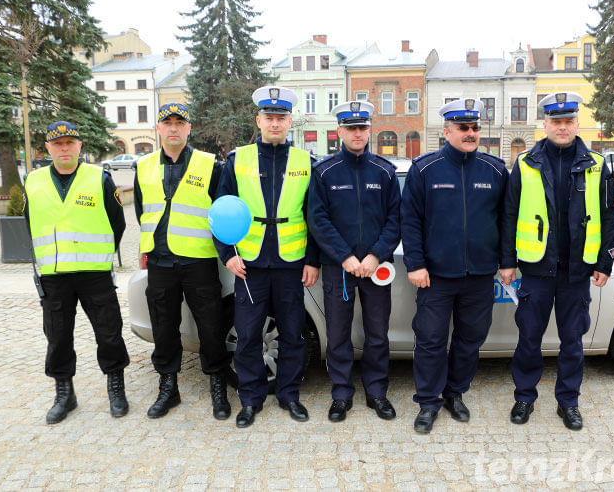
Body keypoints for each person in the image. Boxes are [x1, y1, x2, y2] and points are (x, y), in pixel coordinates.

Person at [500, 92, 614, 430]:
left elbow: (609, 216)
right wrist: (507, 261)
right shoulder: (525, 162)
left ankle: (568, 402)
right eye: (556, 121)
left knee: (572, 342)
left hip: (577, 270)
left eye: (568, 121)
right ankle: (524, 398)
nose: (562, 127)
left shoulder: (598, 164)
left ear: (577, 123)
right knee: (529, 339)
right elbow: (509, 214)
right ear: (545, 124)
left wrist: (605, 263)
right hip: (537, 268)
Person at [401, 98, 509, 433]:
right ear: (446, 131)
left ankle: (455, 393)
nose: (471, 133)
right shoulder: (425, 169)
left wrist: (506, 262)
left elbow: (506, 220)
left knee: (470, 339)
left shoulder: (494, 169)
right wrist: (415, 264)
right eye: (463, 128)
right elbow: (410, 220)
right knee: (431, 339)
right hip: (435, 276)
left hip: (479, 274)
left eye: (475, 127)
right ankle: (429, 401)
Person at [215, 86, 320, 428]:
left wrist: (313, 259)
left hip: (291, 263)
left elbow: (315, 215)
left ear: (290, 121)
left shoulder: (306, 162)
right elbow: (220, 211)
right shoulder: (237, 160)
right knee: (247, 335)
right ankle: (250, 399)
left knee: (293, 333)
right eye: (269, 118)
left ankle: (289, 395)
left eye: (281, 118)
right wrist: (227, 254)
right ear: (258, 120)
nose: (275, 124)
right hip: (249, 264)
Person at [24, 121, 129, 423]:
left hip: (94, 272)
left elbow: (117, 224)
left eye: (70, 142)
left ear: (80, 145)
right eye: (58, 144)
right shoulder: (33, 181)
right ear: (48, 148)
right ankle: (64, 393)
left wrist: (101, 254)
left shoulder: (100, 179)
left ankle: (116, 387)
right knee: (57, 337)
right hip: (54, 275)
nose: (65, 148)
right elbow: (31, 223)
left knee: (109, 333)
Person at [134, 103, 231, 420]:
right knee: (164, 329)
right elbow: (142, 211)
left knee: (211, 327)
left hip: (199, 261)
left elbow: (221, 212)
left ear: (189, 128)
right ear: (158, 128)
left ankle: (218, 385)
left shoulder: (209, 165)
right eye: (167, 123)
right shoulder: (143, 166)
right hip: (160, 262)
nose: (173, 128)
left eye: (180, 122)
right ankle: (168, 388)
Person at [308, 101, 401, 423]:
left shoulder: (385, 171)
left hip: (376, 268)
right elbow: (318, 220)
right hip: (340, 268)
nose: (357, 133)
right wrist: (345, 257)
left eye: (362, 127)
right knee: (337, 333)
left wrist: (375, 255)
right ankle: (341, 394)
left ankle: (377, 392)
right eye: (351, 128)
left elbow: (395, 220)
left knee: (377, 334)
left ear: (369, 129)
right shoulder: (325, 172)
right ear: (340, 131)